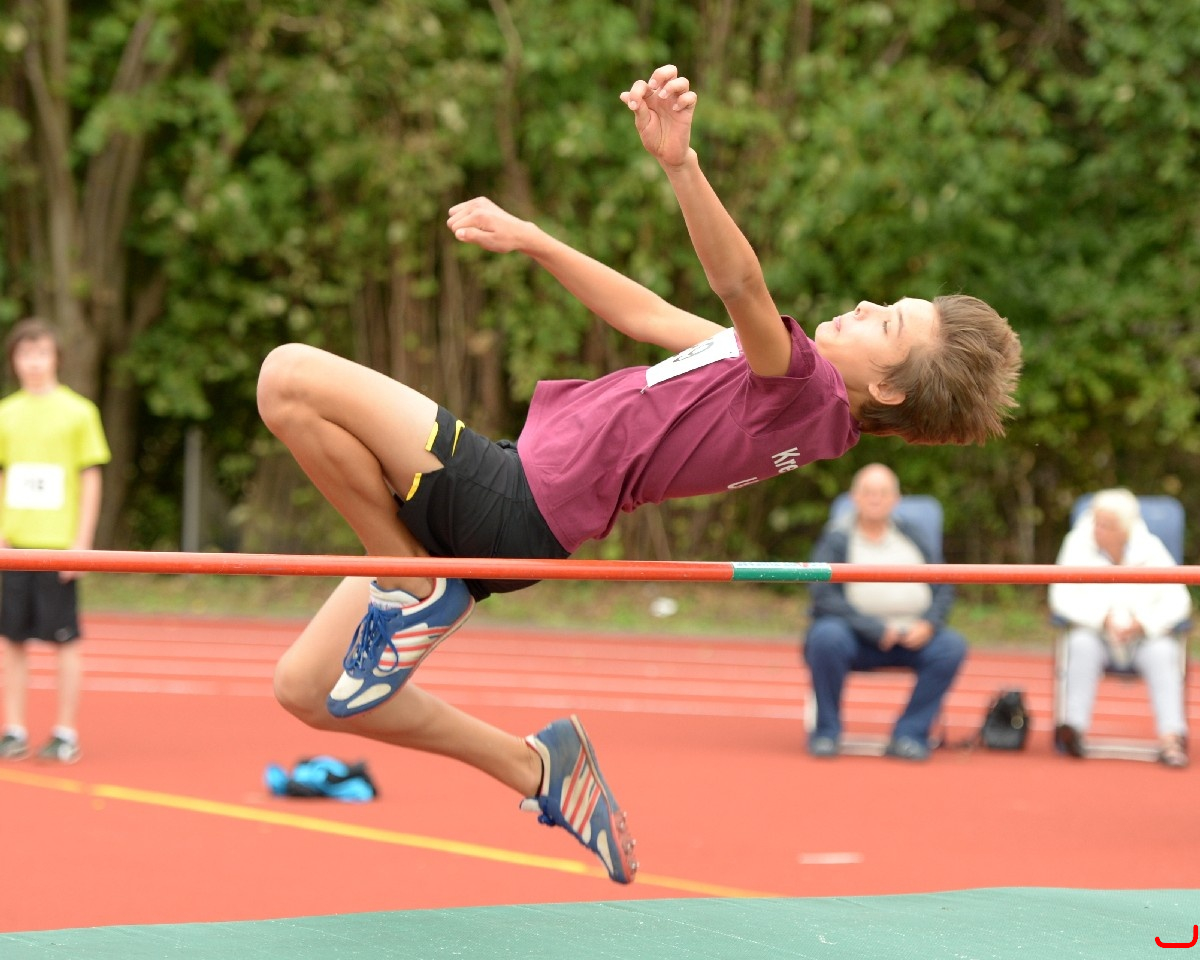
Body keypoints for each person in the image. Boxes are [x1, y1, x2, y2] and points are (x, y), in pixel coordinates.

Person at [255, 65, 1022, 883]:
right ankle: (534, 766)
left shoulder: (805, 386)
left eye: (887, 323)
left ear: (891, 389)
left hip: (512, 501)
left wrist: (680, 164)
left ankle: (410, 581)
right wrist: (536, 239)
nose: (867, 307)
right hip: (520, 511)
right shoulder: (783, 390)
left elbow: (740, 282)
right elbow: (647, 315)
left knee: (289, 377)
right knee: (306, 689)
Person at [0, 318, 111, 764]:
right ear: (14, 360)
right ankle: (14, 728)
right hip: (14, 547)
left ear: (56, 358)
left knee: (66, 641)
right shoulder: (5, 413)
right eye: (25, 353)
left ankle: (65, 731)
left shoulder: (79, 412)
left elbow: (91, 478)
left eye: (42, 352)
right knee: (11, 640)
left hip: (59, 545)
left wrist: (81, 544)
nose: (34, 362)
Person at [801, 464, 966, 761]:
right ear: (854, 497)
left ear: (896, 499)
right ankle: (826, 732)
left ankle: (910, 735)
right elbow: (822, 595)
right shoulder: (838, 537)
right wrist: (874, 629)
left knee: (951, 646)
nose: (875, 498)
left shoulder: (914, 536)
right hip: (856, 637)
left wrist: (928, 624)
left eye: (883, 492)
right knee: (824, 636)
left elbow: (944, 585)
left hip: (912, 637)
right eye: (868, 492)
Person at [1048, 488, 1191, 768]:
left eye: (1107, 525)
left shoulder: (1151, 548)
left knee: (1165, 652)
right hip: (1096, 634)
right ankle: (1072, 729)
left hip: (1143, 638)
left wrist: (1143, 623)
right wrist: (1101, 618)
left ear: (1125, 529)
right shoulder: (1076, 544)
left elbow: (1179, 601)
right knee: (1079, 644)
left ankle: (1172, 737)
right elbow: (1060, 597)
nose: (1097, 530)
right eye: (1096, 521)